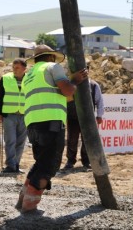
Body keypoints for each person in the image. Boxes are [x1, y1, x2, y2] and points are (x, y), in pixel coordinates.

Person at [15, 45, 88, 213]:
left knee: (41, 162)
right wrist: (75, 80)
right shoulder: (52, 67)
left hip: (33, 122)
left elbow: (55, 94)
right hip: (51, 121)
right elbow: (68, 91)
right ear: (50, 57)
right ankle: (29, 205)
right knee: (50, 165)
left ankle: (23, 199)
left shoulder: (29, 75)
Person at [64, 69, 104, 169]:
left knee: (87, 140)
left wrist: (99, 115)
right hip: (73, 116)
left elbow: (99, 101)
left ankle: (86, 161)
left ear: (88, 71)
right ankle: (70, 161)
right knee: (72, 139)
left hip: (88, 118)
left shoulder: (94, 85)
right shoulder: (71, 84)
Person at [0, 58, 27, 173]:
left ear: (24, 68)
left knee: (21, 142)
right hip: (9, 115)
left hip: (25, 115)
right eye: (13, 67)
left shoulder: (30, 79)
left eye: (17, 68)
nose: (14, 70)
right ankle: (10, 165)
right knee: (10, 140)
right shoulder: (6, 78)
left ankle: (16, 164)